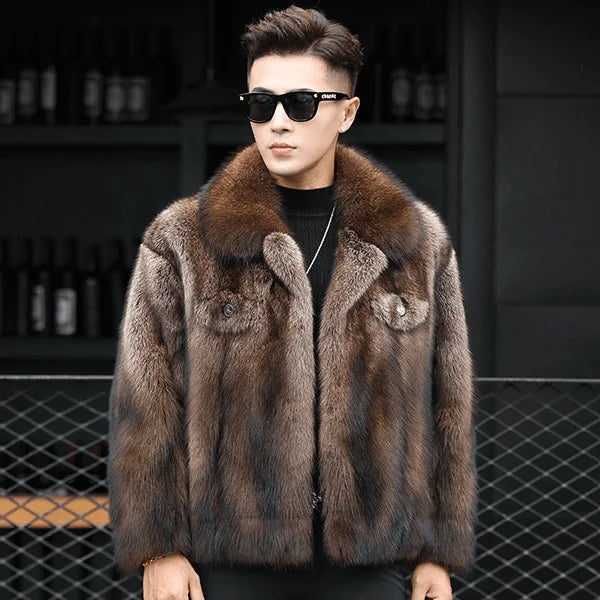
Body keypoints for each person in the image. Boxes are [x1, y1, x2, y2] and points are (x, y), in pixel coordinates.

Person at [107, 5, 478, 600]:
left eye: (301, 103)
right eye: (261, 104)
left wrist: (439, 553)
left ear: (347, 112)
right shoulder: (183, 240)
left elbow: (447, 404)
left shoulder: (415, 243)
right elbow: (147, 404)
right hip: (227, 560)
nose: (278, 122)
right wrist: (158, 547)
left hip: (373, 559)